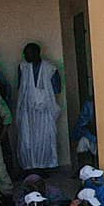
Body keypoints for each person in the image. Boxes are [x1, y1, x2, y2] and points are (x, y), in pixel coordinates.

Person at [14, 42, 64, 177]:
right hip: (27, 112)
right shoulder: (22, 67)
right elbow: (20, 88)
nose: (25, 55)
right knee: (26, 139)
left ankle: (45, 167)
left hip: (45, 112)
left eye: (27, 53)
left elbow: (57, 90)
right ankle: (30, 168)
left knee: (46, 139)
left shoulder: (51, 69)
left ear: (36, 53)